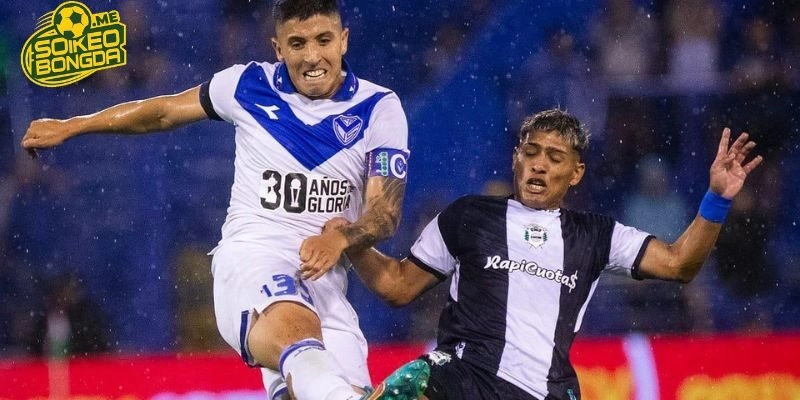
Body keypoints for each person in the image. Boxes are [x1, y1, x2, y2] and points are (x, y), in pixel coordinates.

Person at [20, 1, 428, 399]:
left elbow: (384, 212)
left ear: (344, 40)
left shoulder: (378, 108)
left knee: (325, 383)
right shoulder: (246, 85)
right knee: (299, 335)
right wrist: (76, 124)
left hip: (326, 285)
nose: (312, 57)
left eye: (323, 40)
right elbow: (162, 112)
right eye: (297, 43)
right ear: (278, 48)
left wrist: (340, 239)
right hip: (252, 260)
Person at [327, 109, 763, 400]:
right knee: (407, 384)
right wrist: (350, 240)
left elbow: (679, 263)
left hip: (543, 391)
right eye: (531, 152)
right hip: (462, 377)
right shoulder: (468, 216)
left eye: (555, 157)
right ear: (515, 159)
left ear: (576, 173)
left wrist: (717, 199)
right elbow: (397, 286)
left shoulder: (596, 234)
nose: (539, 164)